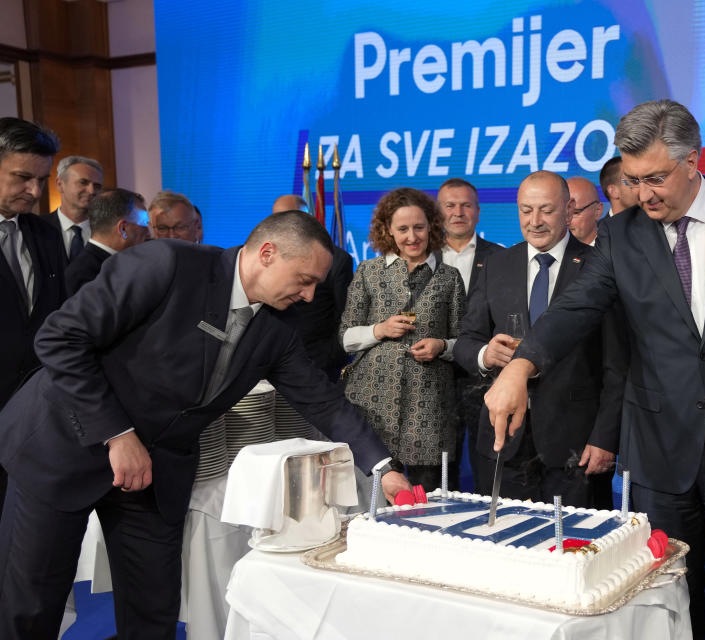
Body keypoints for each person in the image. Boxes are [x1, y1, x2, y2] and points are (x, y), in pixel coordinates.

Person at [484, 100, 705, 640]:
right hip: (661, 447)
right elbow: (574, 310)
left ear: (694, 161)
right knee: (667, 594)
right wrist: (520, 366)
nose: (643, 194)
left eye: (656, 178)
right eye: (632, 179)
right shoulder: (622, 236)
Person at [0, 210, 410, 638]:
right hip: (62, 445)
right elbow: (60, 339)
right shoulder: (166, 265)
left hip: (155, 473)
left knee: (154, 611)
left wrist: (382, 469)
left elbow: (324, 402)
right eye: (304, 280)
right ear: (266, 253)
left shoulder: (278, 327)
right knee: (30, 605)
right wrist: (117, 434)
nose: (309, 296)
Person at [453, 171, 622, 508]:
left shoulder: (599, 267)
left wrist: (605, 438)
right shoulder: (497, 263)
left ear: (569, 209)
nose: (535, 221)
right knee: (506, 549)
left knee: (576, 548)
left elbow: (617, 365)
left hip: (575, 447)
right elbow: (466, 341)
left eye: (546, 210)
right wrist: (487, 354)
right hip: (504, 443)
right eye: (525, 210)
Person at [340, 188, 465, 490]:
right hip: (372, 405)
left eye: (419, 227)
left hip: (431, 410)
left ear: (432, 227)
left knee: (431, 498)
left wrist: (442, 346)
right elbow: (344, 336)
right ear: (387, 230)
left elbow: (465, 341)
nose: (412, 236)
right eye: (403, 229)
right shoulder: (368, 272)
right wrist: (378, 330)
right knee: (374, 500)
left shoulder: (449, 277)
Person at [0, 117, 67, 514]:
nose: (35, 191)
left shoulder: (44, 233)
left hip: (33, 415)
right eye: (23, 177)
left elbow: (56, 317)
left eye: (41, 180)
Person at [436, 177, 504, 489]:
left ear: (478, 211)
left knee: (488, 468)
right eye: (450, 205)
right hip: (433, 379)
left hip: (483, 378)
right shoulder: (420, 259)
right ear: (438, 212)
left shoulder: (502, 257)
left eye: (466, 205)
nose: (458, 212)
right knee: (439, 472)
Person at [272, 194, 353, 380]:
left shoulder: (337, 260)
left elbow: (346, 318)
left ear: (309, 218)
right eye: (277, 219)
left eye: (291, 218)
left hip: (318, 367)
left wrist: (328, 358)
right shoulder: (267, 258)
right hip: (271, 364)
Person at [64, 189, 150, 295]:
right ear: (123, 229)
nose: (148, 232)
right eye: (144, 223)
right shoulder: (84, 275)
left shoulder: (120, 263)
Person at [40, 155, 103, 262]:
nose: (92, 191)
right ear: (60, 184)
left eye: (96, 186)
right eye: (83, 182)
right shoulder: (37, 227)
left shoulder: (108, 229)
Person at [567, 176, 604, 245]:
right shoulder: (544, 253)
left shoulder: (617, 251)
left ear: (597, 211)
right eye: (561, 213)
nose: (566, 220)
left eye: (575, 213)